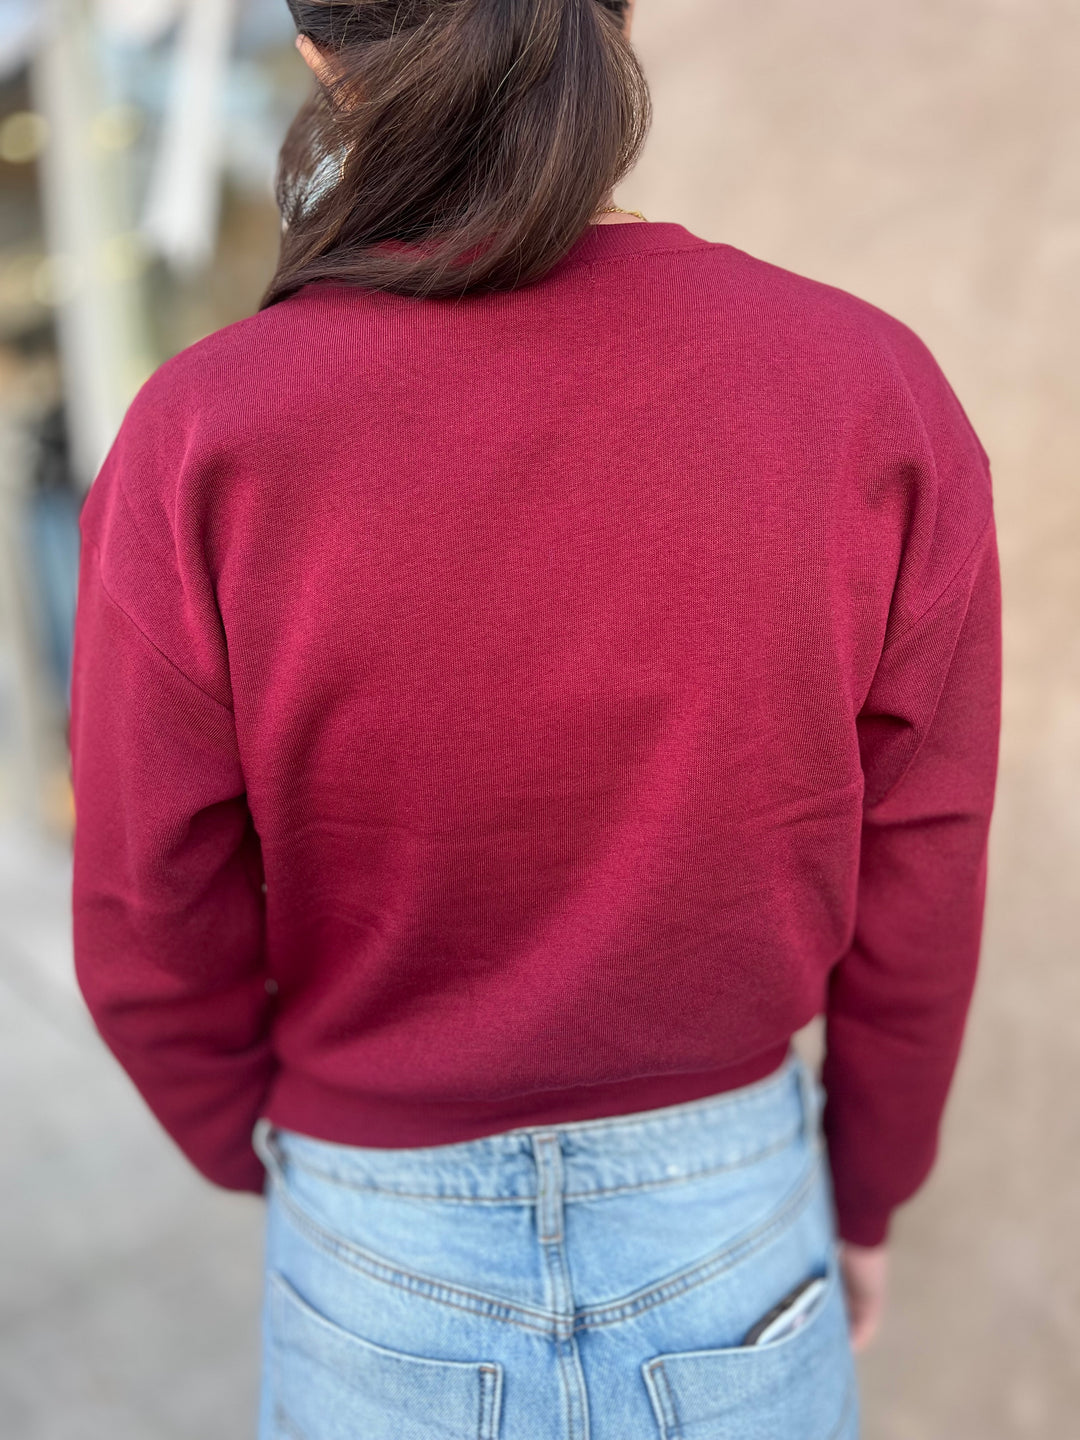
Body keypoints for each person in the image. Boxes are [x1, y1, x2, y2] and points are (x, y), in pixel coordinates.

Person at [69, 1, 1001, 1436]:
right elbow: (923, 860)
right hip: (732, 1220)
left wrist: (291, 1153)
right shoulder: (864, 387)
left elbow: (146, 906)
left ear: (318, 51)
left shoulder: (207, 432)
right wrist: (867, 1184)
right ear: (616, 18)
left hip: (376, 1232)